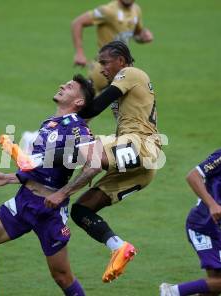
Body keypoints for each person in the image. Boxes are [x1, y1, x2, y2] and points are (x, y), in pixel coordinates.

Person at [0, 75, 96, 296]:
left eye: (69, 87)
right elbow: (38, 165)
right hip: (24, 201)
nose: (61, 86)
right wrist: (12, 177)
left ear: (78, 102)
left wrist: (63, 193)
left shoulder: (77, 128)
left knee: (61, 276)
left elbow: (93, 165)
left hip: (50, 211)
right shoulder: (49, 123)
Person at [44, 40, 161, 283]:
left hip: (141, 145)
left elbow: (95, 107)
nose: (102, 68)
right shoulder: (128, 81)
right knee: (81, 209)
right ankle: (118, 247)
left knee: (88, 153)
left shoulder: (130, 73)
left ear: (121, 60)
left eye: (105, 62)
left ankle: (33, 161)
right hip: (143, 168)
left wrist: (70, 108)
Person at [71, 0, 153, 119]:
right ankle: (57, 132)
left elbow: (136, 34)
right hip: (103, 70)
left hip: (122, 69)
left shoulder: (136, 10)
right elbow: (77, 22)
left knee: (126, 110)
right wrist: (79, 53)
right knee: (84, 112)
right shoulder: (108, 11)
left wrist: (144, 37)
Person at [160, 149, 221, 296]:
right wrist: (212, 204)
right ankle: (172, 292)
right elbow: (193, 176)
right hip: (204, 224)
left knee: (214, 285)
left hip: (217, 227)